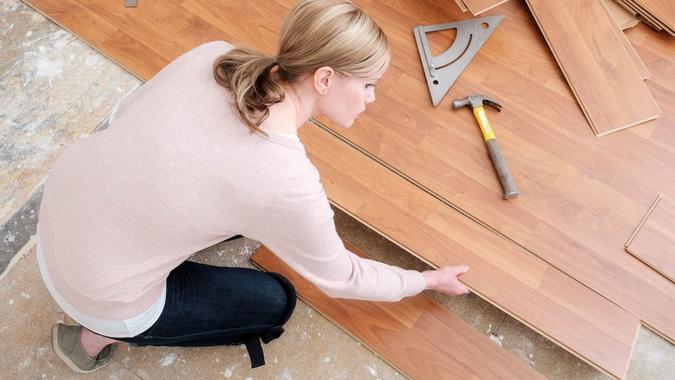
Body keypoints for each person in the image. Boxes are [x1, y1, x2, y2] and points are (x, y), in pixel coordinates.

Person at [37, 0, 470, 373]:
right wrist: (426, 281)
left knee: (237, 209)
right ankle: (92, 339)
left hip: (58, 213)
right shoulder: (285, 180)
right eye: (369, 85)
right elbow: (342, 278)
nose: (371, 98)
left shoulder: (215, 56)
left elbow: (122, 119)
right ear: (324, 79)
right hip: (100, 293)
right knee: (276, 301)